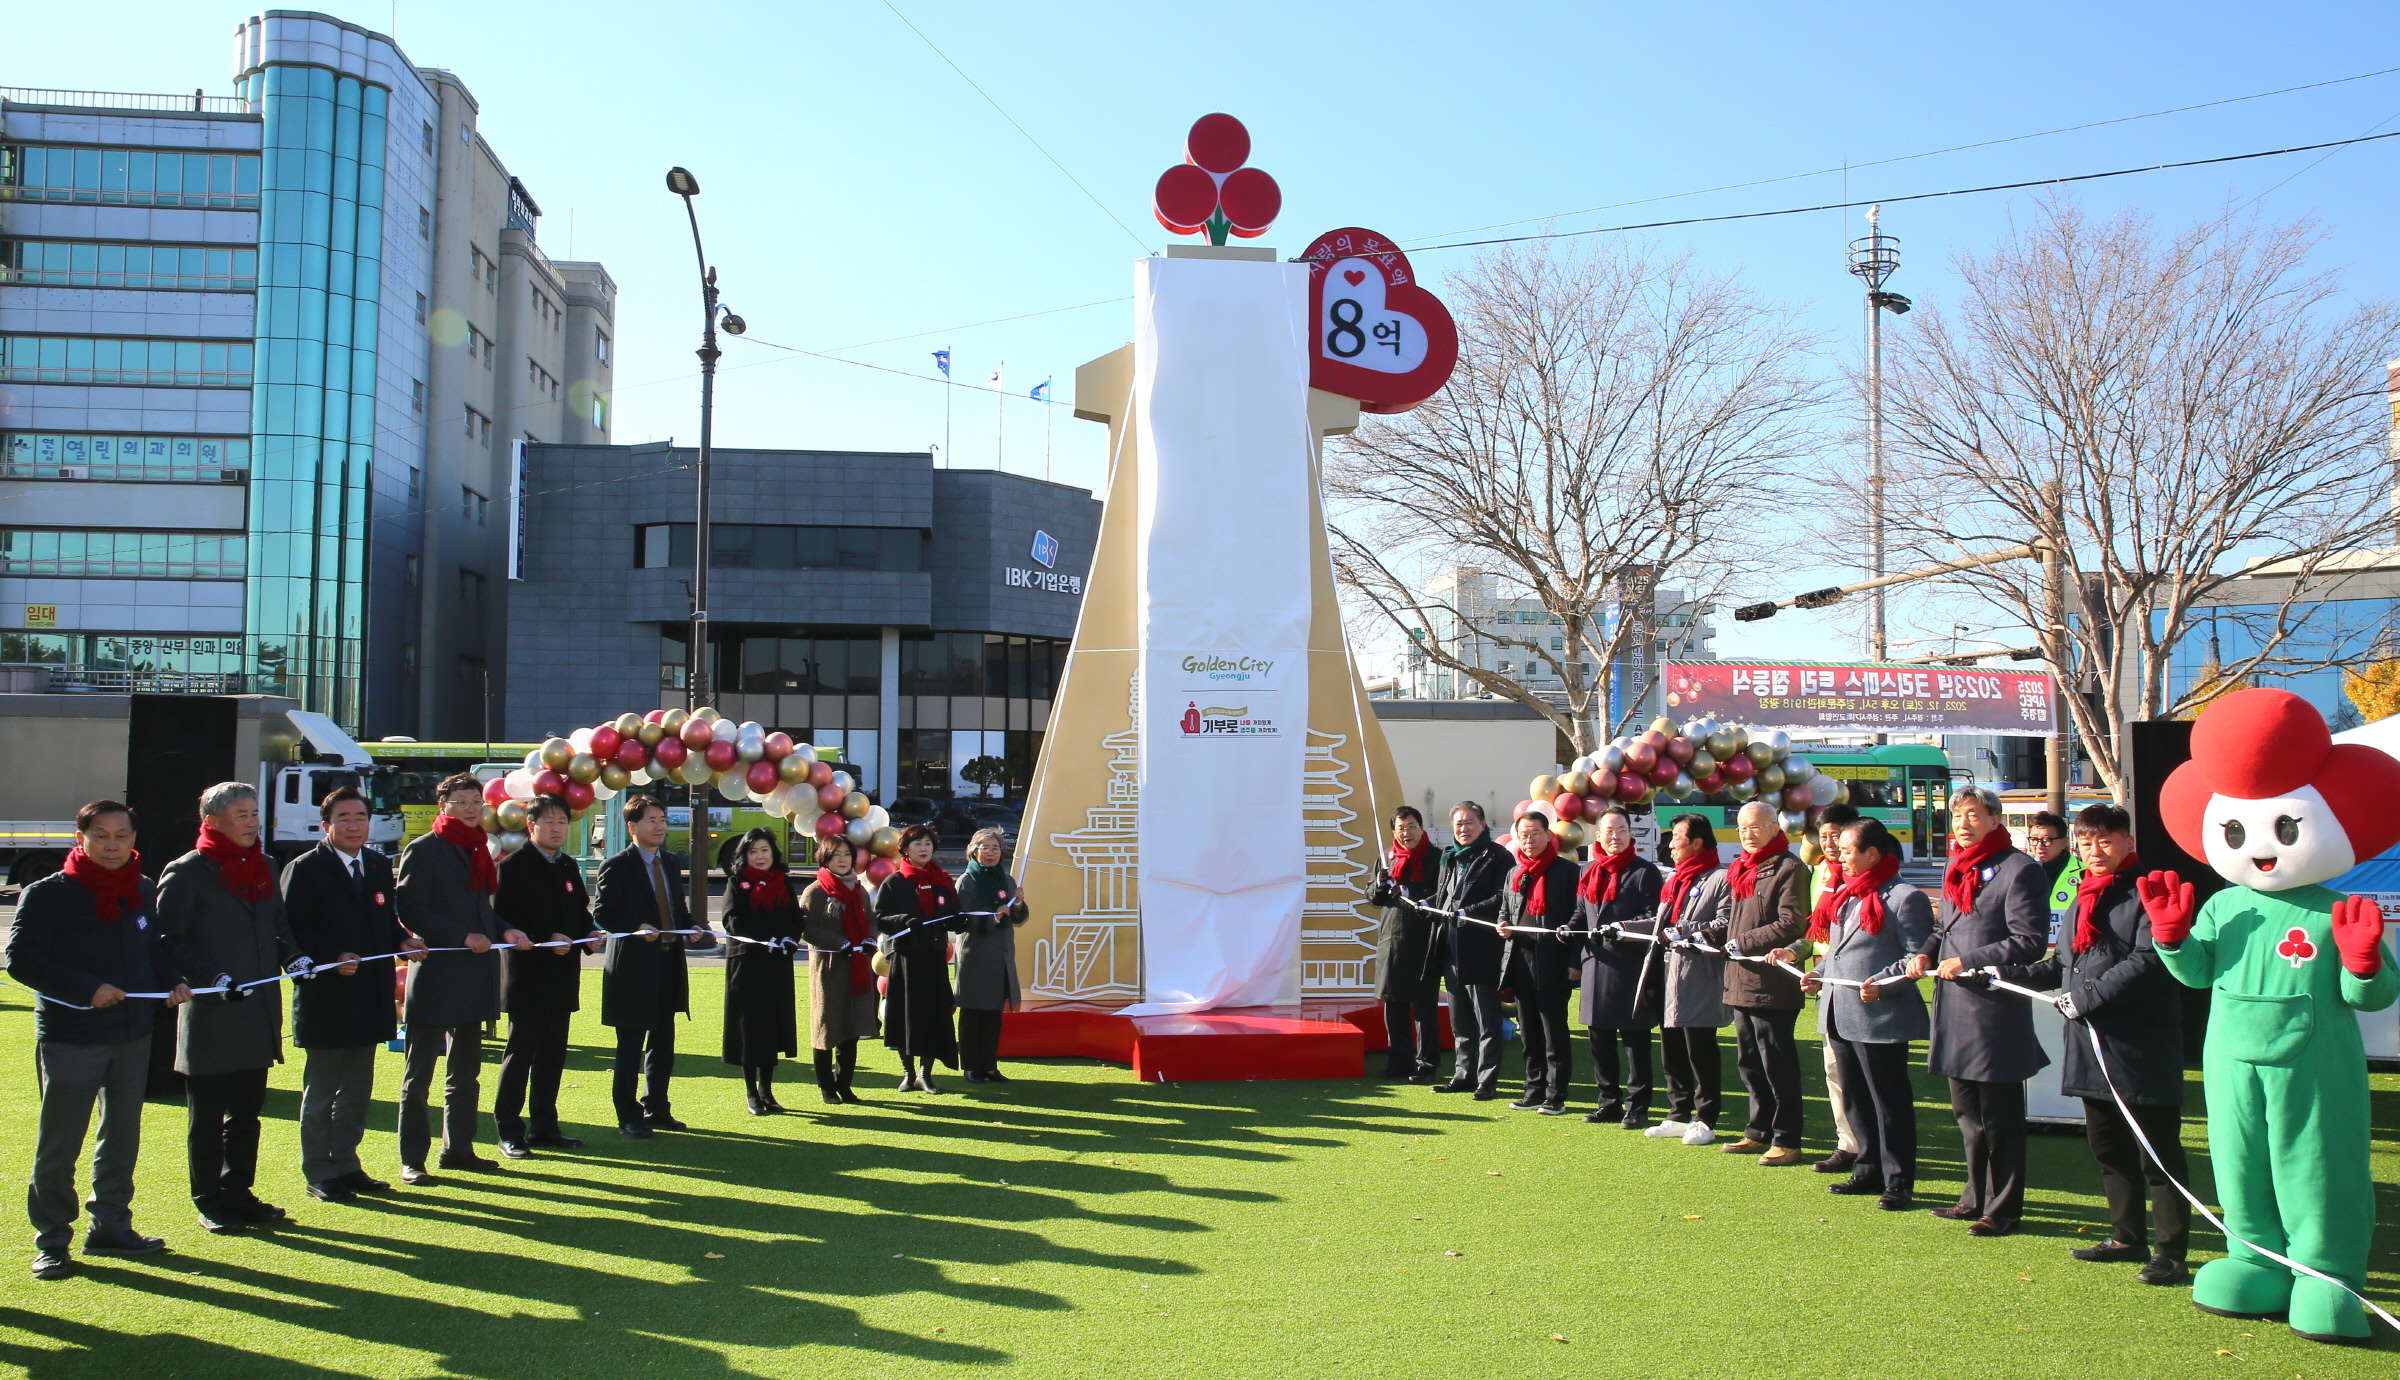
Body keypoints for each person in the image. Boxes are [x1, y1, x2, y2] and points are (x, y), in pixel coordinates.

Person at [1997, 803, 2188, 1286]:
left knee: (2157, 1153)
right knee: (2108, 1147)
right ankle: (2126, 1236)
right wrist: (2005, 974)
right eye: (2086, 843)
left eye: (2105, 841)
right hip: (2089, 1044)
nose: (2094, 851)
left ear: (2128, 843)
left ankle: (2171, 1251)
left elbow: (2150, 960)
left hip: (2139, 1046)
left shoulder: (2148, 891)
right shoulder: (2084, 895)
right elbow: (2064, 965)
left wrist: (2087, 998)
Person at [8, 801, 190, 1278]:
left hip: (132, 1034)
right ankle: (52, 1240)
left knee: (122, 1136)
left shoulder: (142, 888)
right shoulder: (48, 893)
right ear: (81, 838)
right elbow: (21, 959)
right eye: (101, 836)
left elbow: (152, 950)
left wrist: (173, 981)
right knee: (60, 1143)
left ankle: (110, 1226)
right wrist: (87, 990)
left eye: (121, 835)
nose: (112, 846)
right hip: (72, 1037)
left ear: (133, 838)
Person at [156, 781, 299, 1233]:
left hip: (257, 1014)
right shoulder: (186, 871)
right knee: (208, 1117)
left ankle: (239, 1191)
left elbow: (276, 925)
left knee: (246, 1114)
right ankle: (209, 1199)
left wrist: (292, 955)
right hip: (211, 1016)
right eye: (242, 814)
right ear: (211, 821)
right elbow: (167, 940)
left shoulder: (265, 864)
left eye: (255, 813)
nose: (253, 821)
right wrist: (211, 978)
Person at [1908, 785, 2049, 1237]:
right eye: (1956, 816)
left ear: (1994, 818)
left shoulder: (2019, 870)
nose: (1962, 824)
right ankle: (1974, 1197)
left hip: (1993, 1009)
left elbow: (2029, 942)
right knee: (1966, 1113)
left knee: (2000, 1116)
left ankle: (2003, 1208)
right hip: (1954, 1004)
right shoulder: (1957, 865)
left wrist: (1969, 960)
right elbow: (1944, 928)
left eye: (1972, 815)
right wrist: (1926, 953)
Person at [282, 787, 418, 1201]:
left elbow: (383, 920)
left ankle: (346, 1163)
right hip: (327, 998)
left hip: (370, 994)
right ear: (326, 825)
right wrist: (329, 956)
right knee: (322, 1091)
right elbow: (289, 931)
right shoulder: (304, 868)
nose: (354, 824)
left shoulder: (377, 864)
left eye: (360, 816)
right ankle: (318, 1171)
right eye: (344, 817)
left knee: (358, 1089)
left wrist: (403, 940)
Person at [395, 773, 529, 1182]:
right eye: (462, 801)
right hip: (436, 973)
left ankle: (459, 1148)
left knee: (466, 1072)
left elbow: (482, 913)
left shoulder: (479, 849)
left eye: (476, 801)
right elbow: (410, 909)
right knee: (418, 1075)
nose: (471, 808)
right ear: (444, 806)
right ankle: (412, 1159)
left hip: (475, 974)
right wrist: (460, 936)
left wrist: (504, 928)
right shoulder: (423, 849)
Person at [1796, 818, 1933, 1212]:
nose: (1837, 854)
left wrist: (1884, 982)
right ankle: (1868, 1168)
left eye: (1848, 848)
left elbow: (1917, 956)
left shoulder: (1905, 897)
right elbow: (1837, 953)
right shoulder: (1846, 893)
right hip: (1841, 1011)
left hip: (1882, 1017)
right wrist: (1818, 975)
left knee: (1889, 1102)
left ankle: (1899, 1181)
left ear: (1873, 854)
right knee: (1855, 1097)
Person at [492, 797, 598, 1156]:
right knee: (520, 1054)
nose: (556, 829)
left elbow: (578, 912)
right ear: (531, 826)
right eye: (549, 822)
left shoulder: (567, 865)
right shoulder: (514, 866)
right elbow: (504, 919)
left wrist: (591, 935)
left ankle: (545, 1126)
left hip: (562, 974)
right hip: (528, 976)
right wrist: (543, 938)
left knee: (553, 1054)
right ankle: (509, 1130)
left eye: (562, 823)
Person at [597, 794, 700, 1137]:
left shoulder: (669, 862)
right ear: (632, 827)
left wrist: (692, 927)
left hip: (668, 963)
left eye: (662, 819)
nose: (659, 826)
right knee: (630, 1043)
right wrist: (636, 927)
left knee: (663, 1040)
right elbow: (604, 914)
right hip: (632, 967)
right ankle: (628, 1114)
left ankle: (657, 1106)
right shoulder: (617, 864)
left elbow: (676, 907)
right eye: (651, 820)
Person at [1719, 800, 1812, 1167]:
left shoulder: (1790, 868)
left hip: (1774, 983)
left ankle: (1787, 1139)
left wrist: (1741, 943)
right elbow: (1732, 922)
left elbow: (1791, 923)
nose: (1749, 834)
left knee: (1778, 1063)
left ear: (1775, 827)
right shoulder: (1742, 868)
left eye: (1756, 827)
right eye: (1743, 828)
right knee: (1749, 1063)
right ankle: (1758, 1132)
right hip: (1741, 979)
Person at [1636, 813, 1730, 1145]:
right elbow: (1657, 922)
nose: (1671, 842)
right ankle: (1678, 1112)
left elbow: (1724, 924)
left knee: (1699, 1045)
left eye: (1677, 836)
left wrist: (1679, 932)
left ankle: (1705, 1118)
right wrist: (1623, 928)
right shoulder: (1675, 879)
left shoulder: (1720, 878)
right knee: (1671, 1044)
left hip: (1698, 974)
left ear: (1697, 843)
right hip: (1666, 971)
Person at [1575, 807, 1663, 1127]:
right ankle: (1608, 1101)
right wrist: (1564, 933)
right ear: (1598, 836)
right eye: (1609, 831)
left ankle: (1638, 1106)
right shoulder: (1589, 871)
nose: (1616, 836)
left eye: (1622, 830)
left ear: (1631, 833)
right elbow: (1580, 915)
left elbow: (1655, 918)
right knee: (1599, 1041)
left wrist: (1623, 927)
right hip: (1595, 969)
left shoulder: (1645, 872)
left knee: (1635, 1042)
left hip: (1630, 969)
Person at [1496, 812, 1582, 1114]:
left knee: (1553, 1030)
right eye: (1524, 834)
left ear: (1548, 835)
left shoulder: (1567, 872)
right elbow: (1505, 908)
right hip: (1519, 959)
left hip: (1553, 962)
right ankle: (1533, 1089)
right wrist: (1503, 924)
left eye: (1535, 833)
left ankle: (1556, 1094)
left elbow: (1578, 919)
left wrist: (1574, 961)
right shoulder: (1515, 871)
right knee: (1529, 1030)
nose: (1529, 839)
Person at [1428, 802, 1512, 1099]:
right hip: (1451, 949)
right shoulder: (1449, 858)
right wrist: (1428, 905)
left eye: (1470, 823)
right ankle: (1464, 1074)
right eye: (1459, 824)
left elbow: (1504, 896)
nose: (1464, 829)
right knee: (1459, 1019)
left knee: (1486, 1020)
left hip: (1482, 948)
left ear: (1483, 824)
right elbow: (1444, 896)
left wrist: (1468, 912)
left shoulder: (1498, 857)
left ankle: (1487, 1081)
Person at [877, 823, 962, 1091]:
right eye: (917, 843)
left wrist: (961, 921)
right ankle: (908, 1071)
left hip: (935, 959)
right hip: (906, 960)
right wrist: (903, 921)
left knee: (933, 1015)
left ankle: (925, 1073)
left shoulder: (943, 881)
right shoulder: (895, 882)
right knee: (905, 1017)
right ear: (905, 849)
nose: (923, 848)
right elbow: (879, 918)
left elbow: (954, 916)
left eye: (927, 843)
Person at [722, 828, 801, 1113]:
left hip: (776, 966)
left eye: (764, 850)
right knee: (749, 1030)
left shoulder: (783, 883)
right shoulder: (736, 883)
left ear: (773, 853)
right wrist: (765, 940)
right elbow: (733, 922)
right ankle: (751, 1092)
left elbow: (795, 918)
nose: (759, 856)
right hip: (747, 965)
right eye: (753, 851)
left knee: (771, 1028)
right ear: (744, 854)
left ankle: (767, 1090)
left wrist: (790, 939)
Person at [1804, 803, 1864, 1174]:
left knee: (1862, 1072)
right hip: (1826, 981)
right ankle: (1848, 1143)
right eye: (1823, 836)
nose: (1828, 844)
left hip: (1859, 985)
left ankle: (1872, 1147)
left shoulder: (1864, 876)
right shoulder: (1821, 872)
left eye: (1835, 836)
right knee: (1833, 1068)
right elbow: (1812, 931)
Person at [800, 838, 878, 1103]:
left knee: (852, 1028)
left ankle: (845, 1084)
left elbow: (870, 920)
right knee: (827, 1026)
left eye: (847, 855)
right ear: (825, 857)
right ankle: (826, 1086)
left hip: (857, 968)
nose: (843, 860)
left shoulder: (860, 890)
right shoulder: (816, 891)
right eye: (837, 855)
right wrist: (838, 943)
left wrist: (870, 939)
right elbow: (808, 929)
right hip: (828, 969)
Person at [1368, 806, 1443, 1082]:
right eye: (1400, 828)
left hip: (1423, 940)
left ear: (1421, 828)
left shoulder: (1437, 858)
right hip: (1391, 940)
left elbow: (1445, 894)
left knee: (1424, 1008)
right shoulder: (1386, 859)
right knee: (1394, 1005)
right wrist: (1378, 884)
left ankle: (1426, 1064)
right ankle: (1398, 1060)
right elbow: (1373, 897)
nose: (1406, 833)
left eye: (1411, 826)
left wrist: (1425, 901)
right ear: (1393, 832)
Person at [954, 827, 1029, 1085]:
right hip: (975, 958)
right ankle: (971, 1067)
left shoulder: (1007, 881)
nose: (990, 853)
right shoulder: (966, 881)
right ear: (974, 852)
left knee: (993, 1016)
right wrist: (992, 918)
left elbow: (1017, 917)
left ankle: (989, 1065)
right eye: (984, 847)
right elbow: (960, 920)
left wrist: (1017, 903)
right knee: (973, 1014)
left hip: (1001, 958)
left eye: (995, 848)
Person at [2022, 809, 2082, 944]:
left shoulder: (2084, 873)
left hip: (2071, 950)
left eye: (2047, 840)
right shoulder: (2021, 873)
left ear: (2064, 842)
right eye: (2034, 839)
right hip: (2032, 952)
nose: (2039, 846)